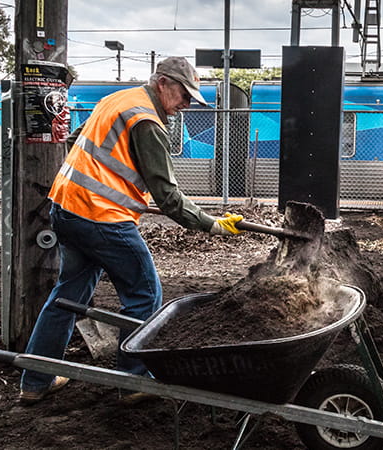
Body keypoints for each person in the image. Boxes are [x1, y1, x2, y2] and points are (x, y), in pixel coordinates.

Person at [19, 57, 245, 405]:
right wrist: (210, 224)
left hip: (66, 207)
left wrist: (115, 186)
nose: (185, 105)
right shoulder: (147, 121)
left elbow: (79, 143)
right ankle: (133, 380)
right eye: (184, 95)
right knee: (144, 294)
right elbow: (167, 196)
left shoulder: (117, 100)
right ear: (163, 83)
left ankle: (35, 381)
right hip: (100, 217)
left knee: (67, 296)